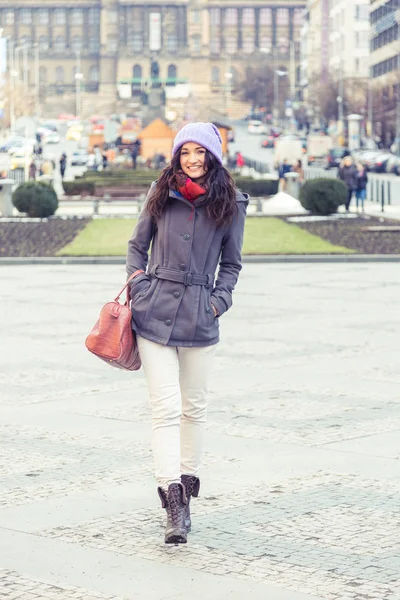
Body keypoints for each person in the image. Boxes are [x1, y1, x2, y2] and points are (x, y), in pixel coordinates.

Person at [125, 122, 248, 545]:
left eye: (200, 152)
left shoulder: (231, 203)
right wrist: (141, 287)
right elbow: (135, 246)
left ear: (213, 156)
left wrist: (218, 301)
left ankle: (188, 490)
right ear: (176, 156)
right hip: (153, 312)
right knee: (165, 408)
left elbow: (231, 264)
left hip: (200, 314)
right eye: (185, 152)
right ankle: (172, 503)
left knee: (193, 409)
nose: (192, 160)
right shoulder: (160, 194)